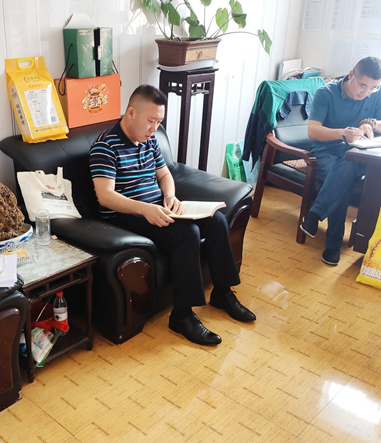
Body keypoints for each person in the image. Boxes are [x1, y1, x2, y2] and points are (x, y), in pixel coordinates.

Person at [89, 85, 256, 347]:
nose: (154, 128)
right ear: (131, 113)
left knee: (217, 220)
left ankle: (222, 293)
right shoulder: (105, 147)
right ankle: (182, 316)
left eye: (159, 122)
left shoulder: (149, 140)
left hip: (158, 207)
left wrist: (169, 196)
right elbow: (105, 196)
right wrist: (145, 209)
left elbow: (165, 174)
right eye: (151, 120)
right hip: (127, 217)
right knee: (187, 233)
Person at [300, 56, 381, 266]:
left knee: (348, 164)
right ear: (351, 74)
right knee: (341, 177)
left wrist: (371, 123)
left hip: (359, 153)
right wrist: (342, 133)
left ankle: (315, 215)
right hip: (326, 151)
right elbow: (313, 131)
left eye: (373, 87)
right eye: (362, 86)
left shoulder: (377, 93)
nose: (366, 93)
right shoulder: (326, 93)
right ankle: (332, 245)